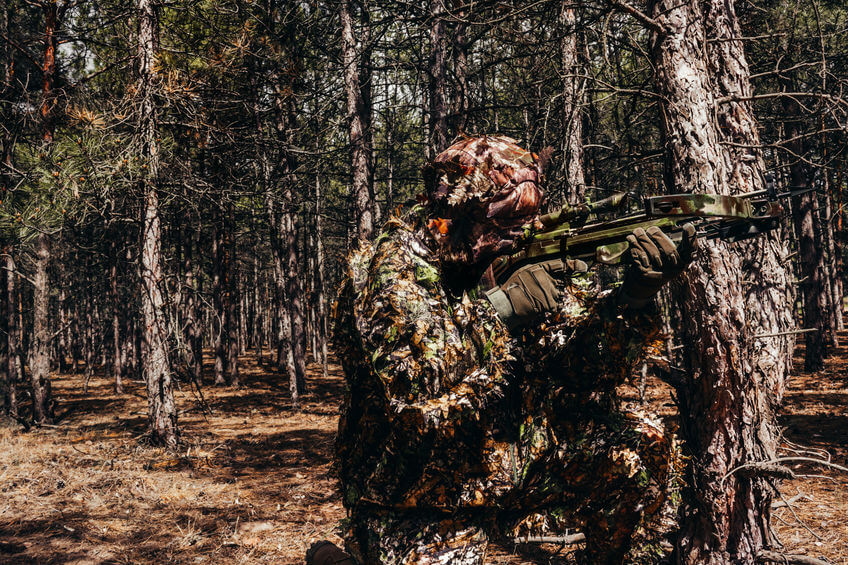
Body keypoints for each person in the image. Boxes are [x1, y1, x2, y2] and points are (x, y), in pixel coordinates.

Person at [314, 135, 696, 565]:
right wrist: (500, 309)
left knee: (641, 448)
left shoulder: (518, 256)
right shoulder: (392, 265)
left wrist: (633, 298)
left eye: (529, 217)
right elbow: (418, 386)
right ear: (460, 210)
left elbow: (582, 372)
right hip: (415, 490)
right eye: (509, 218)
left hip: (509, 463)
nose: (521, 233)